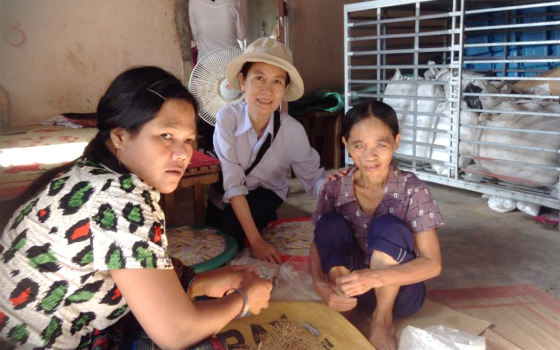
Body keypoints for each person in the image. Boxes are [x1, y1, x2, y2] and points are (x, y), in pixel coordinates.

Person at [0, 66, 272, 350]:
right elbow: (177, 333)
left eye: (189, 140)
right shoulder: (119, 196)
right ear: (119, 137)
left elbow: (129, 267)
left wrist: (199, 283)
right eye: (166, 135)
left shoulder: (87, 173)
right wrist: (243, 300)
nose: (182, 154)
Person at [309, 100, 444, 350]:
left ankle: (382, 321)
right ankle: (345, 305)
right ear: (346, 145)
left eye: (380, 144)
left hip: (400, 294)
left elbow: (433, 264)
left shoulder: (413, 190)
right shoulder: (335, 187)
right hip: (352, 285)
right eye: (359, 145)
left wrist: (374, 278)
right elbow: (318, 243)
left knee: (389, 226)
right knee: (328, 224)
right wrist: (320, 285)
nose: (370, 156)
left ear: (396, 141)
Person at [206, 38, 327, 264]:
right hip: (225, 197)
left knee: (235, 230)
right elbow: (232, 183)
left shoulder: (292, 131)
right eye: (259, 78)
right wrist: (257, 241)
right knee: (218, 242)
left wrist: (334, 192)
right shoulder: (227, 119)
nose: (267, 90)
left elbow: (313, 178)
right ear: (242, 82)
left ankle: (261, 225)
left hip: (266, 193)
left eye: (277, 81)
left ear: (285, 89)